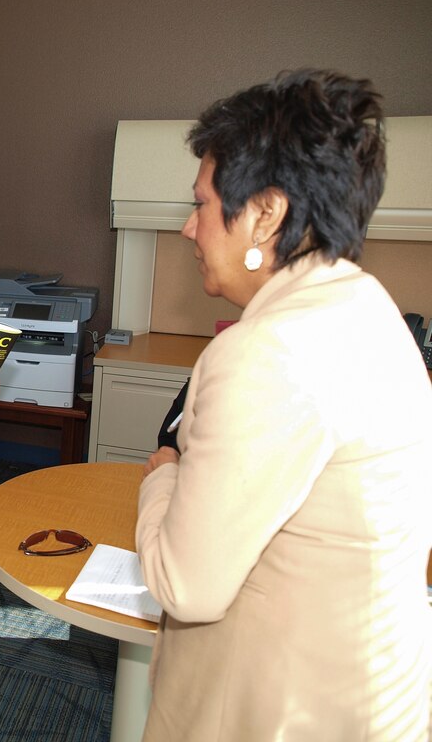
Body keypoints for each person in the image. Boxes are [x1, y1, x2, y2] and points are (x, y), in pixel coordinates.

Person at [135, 69, 432, 741]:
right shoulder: (366, 306)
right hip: (367, 690)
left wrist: (163, 477)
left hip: (277, 708)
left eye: (204, 204)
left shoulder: (265, 353)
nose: (189, 228)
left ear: (264, 214)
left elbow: (185, 585)